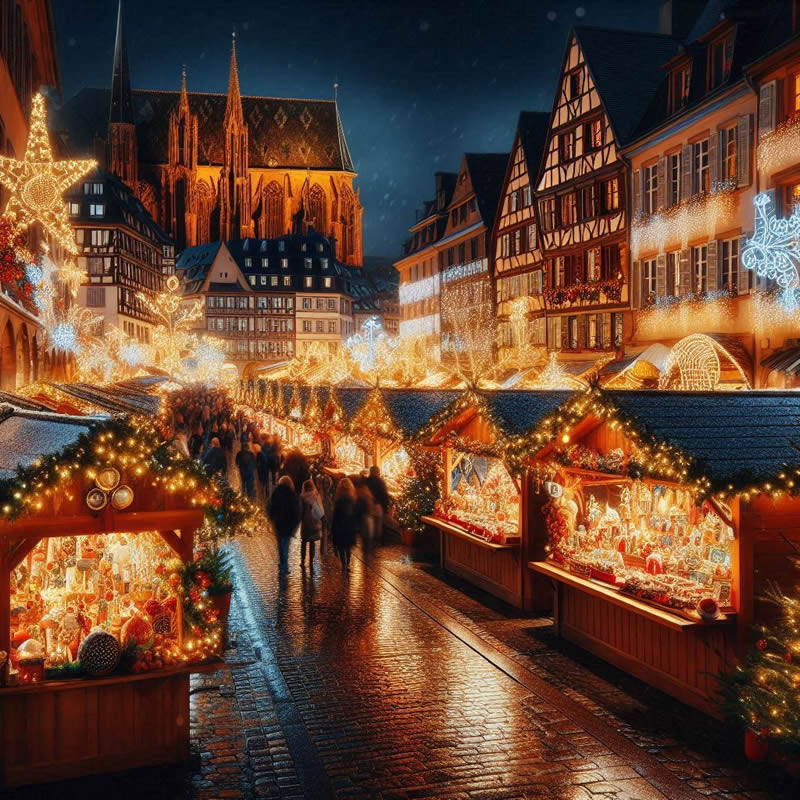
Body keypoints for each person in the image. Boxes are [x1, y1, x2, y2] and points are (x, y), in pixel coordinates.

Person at [268, 476, 300, 573]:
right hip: (288, 523)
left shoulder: (276, 492)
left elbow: (271, 506)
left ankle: (282, 563)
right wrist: (295, 524)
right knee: (285, 545)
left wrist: (271, 518)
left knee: (280, 544)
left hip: (278, 522)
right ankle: (284, 566)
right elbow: (296, 511)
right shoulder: (292, 495)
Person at [331, 478, 358, 574]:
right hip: (350, 527)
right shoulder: (353, 499)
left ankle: (343, 565)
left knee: (342, 548)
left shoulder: (338, 500)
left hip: (340, 527)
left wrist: (333, 529)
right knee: (348, 548)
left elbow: (335, 517)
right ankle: (346, 565)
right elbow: (355, 515)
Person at [299, 479, 324, 568]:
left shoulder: (302, 497)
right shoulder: (316, 496)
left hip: (306, 523)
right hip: (315, 522)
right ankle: (311, 561)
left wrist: (299, 519)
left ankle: (302, 561)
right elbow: (321, 509)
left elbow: (300, 511)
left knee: (304, 542)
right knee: (312, 543)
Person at [367, 466, 391, 539]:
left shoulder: (366, 481)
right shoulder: (381, 482)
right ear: (378, 472)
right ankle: (376, 541)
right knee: (377, 525)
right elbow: (384, 495)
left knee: (370, 524)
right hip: (377, 506)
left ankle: (369, 540)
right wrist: (386, 508)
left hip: (368, 505)